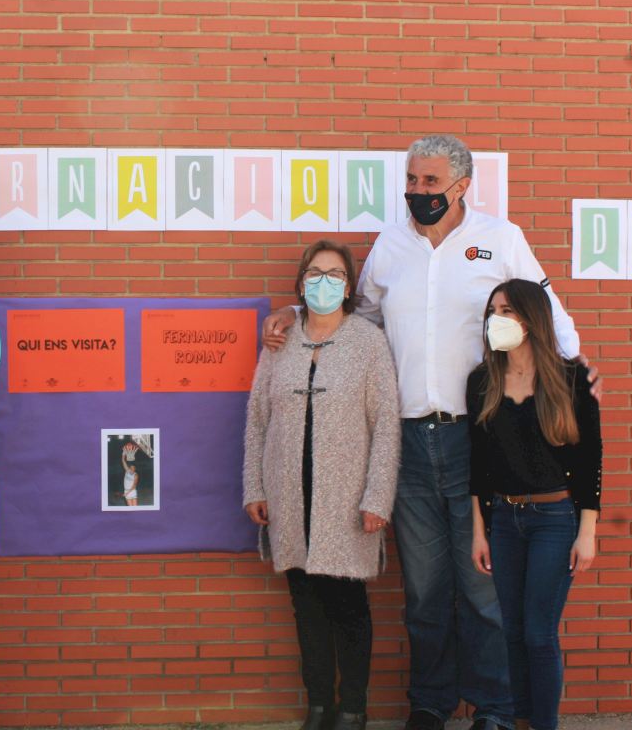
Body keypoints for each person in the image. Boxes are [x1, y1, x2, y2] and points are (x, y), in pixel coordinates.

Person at [263, 135, 598, 730]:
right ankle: (431, 703)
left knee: (484, 587)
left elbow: (544, 311)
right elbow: (358, 317)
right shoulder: (390, 246)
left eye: (431, 182)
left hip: (482, 438)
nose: (418, 191)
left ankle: (493, 708)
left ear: (462, 186)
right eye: (412, 180)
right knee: (423, 590)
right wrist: (294, 315)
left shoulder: (501, 239)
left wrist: (575, 370)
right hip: (410, 440)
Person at [245, 240, 401, 730]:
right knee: (306, 605)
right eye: (315, 273)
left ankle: (352, 707)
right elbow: (257, 419)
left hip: (347, 500)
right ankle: (318, 705)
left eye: (335, 274)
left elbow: (386, 426)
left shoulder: (368, 342)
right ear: (301, 282)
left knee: (347, 606)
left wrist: (378, 497)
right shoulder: (279, 342)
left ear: (349, 286)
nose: (324, 282)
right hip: (290, 495)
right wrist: (255, 487)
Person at [467, 279, 602, 730]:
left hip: (555, 520)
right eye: (493, 311)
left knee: (538, 634)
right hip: (505, 519)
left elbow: (590, 460)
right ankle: (520, 721)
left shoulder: (572, 379)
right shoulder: (481, 382)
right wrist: (479, 532)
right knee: (512, 631)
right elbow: (478, 466)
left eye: (507, 311)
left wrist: (587, 533)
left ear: (532, 319)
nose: (497, 319)